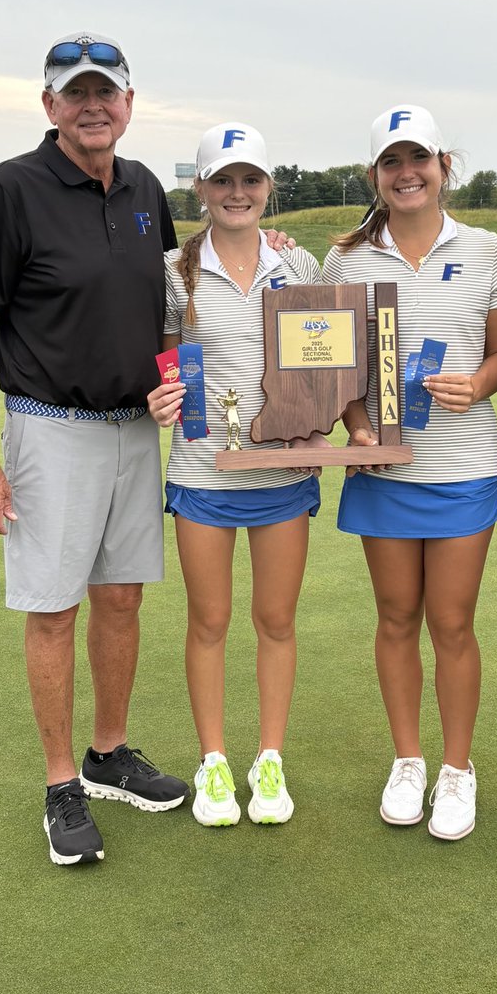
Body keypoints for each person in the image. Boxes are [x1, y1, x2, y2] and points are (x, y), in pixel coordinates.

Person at [0, 32, 190, 866]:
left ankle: (108, 752)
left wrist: (172, 378)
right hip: (49, 430)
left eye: (107, 92)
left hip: (134, 431)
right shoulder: (10, 189)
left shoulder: (145, 187)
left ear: (128, 103)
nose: (94, 106)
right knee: (55, 608)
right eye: (75, 93)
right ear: (49, 105)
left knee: (121, 600)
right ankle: (61, 783)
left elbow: (164, 307)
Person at [322, 105, 497, 840]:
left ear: (443, 165)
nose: (407, 174)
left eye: (419, 160)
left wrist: (482, 382)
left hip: (464, 466)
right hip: (384, 468)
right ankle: (408, 760)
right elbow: (334, 367)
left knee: (453, 622)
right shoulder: (347, 259)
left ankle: (456, 770)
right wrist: (357, 425)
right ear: (375, 176)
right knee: (396, 617)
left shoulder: (488, 249)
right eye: (391, 163)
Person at [147, 122, 323, 828]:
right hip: (203, 471)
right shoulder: (172, 269)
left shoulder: (300, 264)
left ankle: (269, 758)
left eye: (250, 180)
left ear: (268, 188)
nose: (237, 192)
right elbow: (166, 358)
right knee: (210, 620)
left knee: (276, 621)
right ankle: (215, 760)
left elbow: (324, 361)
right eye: (223, 180)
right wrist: (162, 395)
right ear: (202, 189)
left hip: (283, 470)